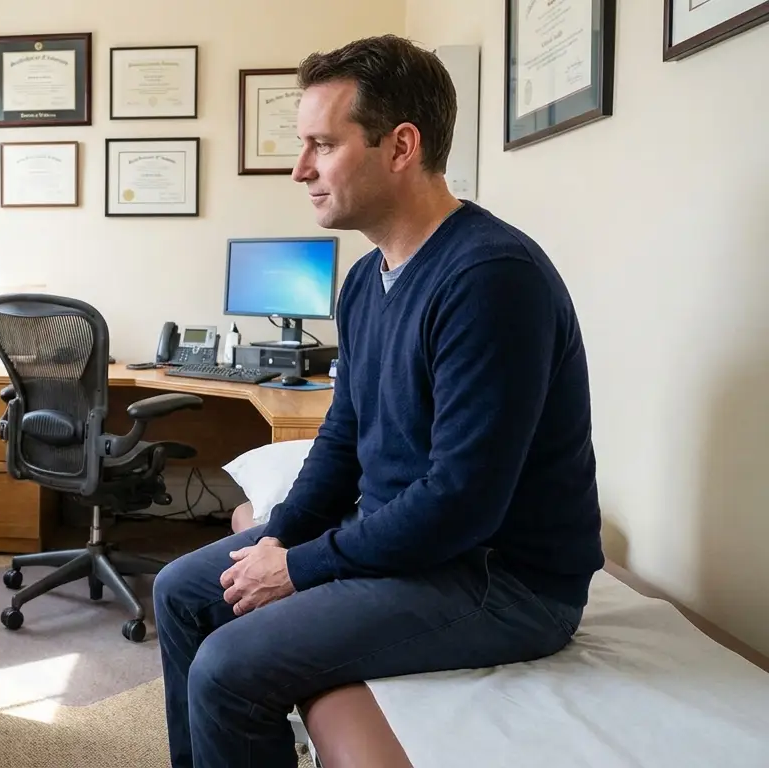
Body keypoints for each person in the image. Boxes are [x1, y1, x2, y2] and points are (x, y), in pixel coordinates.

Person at [153, 34, 604, 768]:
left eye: (322, 146)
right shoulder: (366, 282)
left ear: (400, 146)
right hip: (414, 552)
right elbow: (342, 438)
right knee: (179, 590)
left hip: (501, 580)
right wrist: (280, 538)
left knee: (229, 668)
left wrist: (300, 569)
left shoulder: (491, 279)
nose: (300, 170)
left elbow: (461, 503)